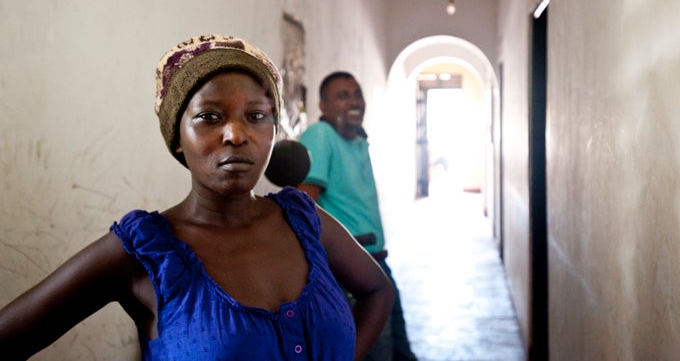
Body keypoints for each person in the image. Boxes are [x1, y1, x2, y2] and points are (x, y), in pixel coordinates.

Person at [0, 35, 394, 361]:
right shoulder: (145, 253)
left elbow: (378, 291)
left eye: (256, 116)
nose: (237, 135)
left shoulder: (305, 220)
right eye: (210, 117)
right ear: (177, 136)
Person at [297, 72, 417, 361]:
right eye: (342, 95)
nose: (353, 101)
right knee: (378, 353)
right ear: (323, 106)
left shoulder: (358, 140)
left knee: (401, 351)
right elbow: (302, 207)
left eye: (356, 93)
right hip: (348, 274)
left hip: (376, 265)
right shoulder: (320, 136)